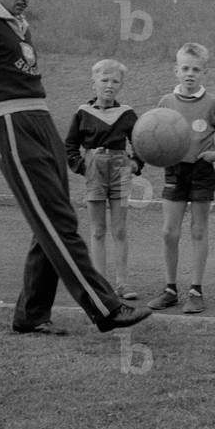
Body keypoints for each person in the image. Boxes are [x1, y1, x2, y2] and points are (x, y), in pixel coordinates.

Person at [0, 0, 153, 335]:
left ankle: (31, 315)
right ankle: (106, 307)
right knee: (57, 220)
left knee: (52, 217)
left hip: (41, 118)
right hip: (10, 123)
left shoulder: (19, 25)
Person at [147, 43, 215, 315]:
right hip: (174, 171)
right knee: (169, 232)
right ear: (176, 71)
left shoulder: (213, 103)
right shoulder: (165, 102)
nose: (190, 74)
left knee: (198, 230)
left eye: (195, 69)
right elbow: (151, 135)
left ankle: (196, 291)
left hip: (202, 171)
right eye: (185, 68)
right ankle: (170, 289)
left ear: (204, 72)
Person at [65, 59, 142, 301]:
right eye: (104, 80)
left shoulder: (126, 113)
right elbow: (70, 146)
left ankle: (122, 283)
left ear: (121, 85)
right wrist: (83, 166)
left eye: (115, 81)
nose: (109, 85)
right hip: (95, 170)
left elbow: (141, 141)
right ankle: (101, 284)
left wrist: (136, 163)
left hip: (120, 170)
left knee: (119, 229)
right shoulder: (83, 113)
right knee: (98, 230)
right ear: (94, 83)